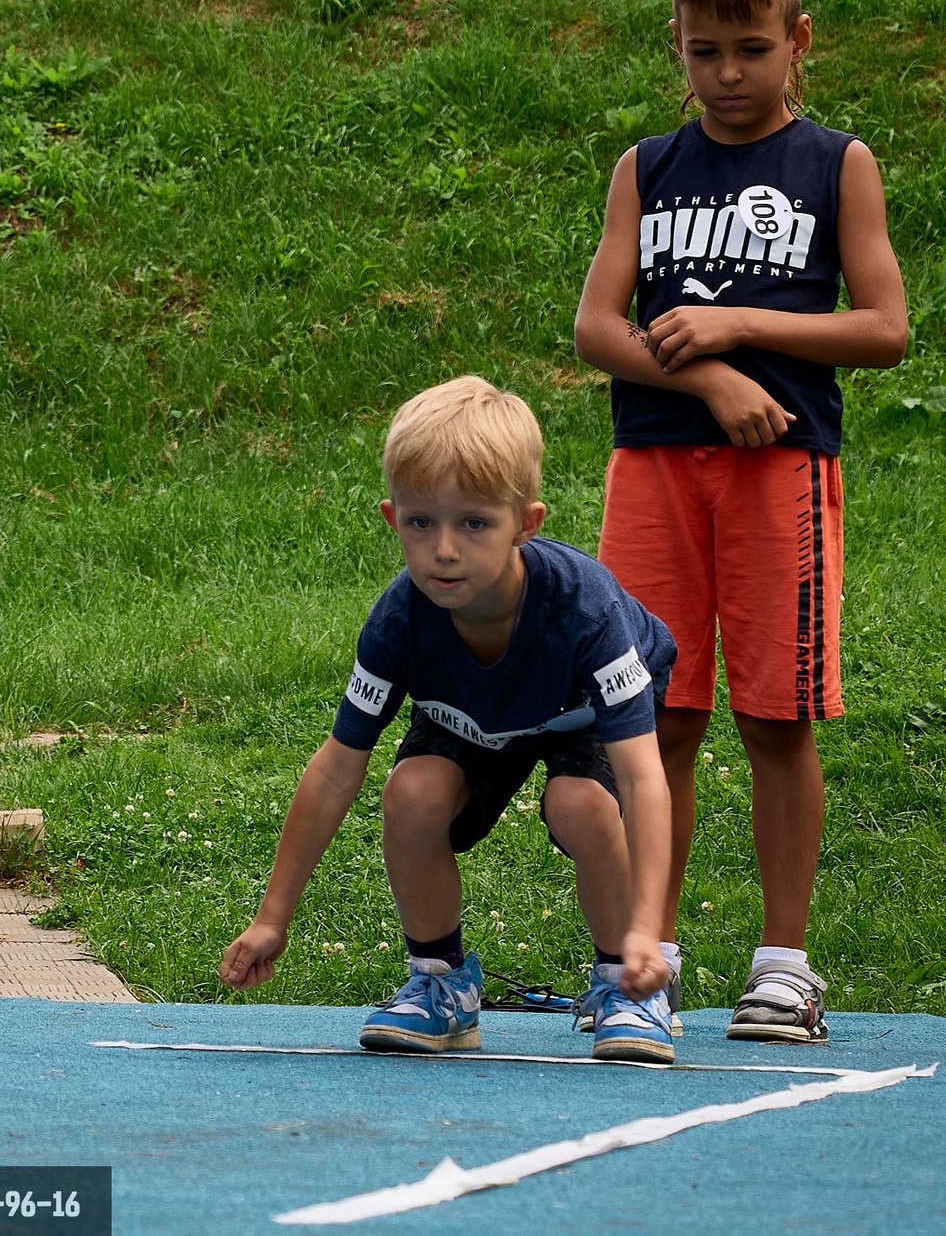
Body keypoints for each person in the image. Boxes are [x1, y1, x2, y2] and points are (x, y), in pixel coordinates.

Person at [575, 0, 907, 1045]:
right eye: (703, 51)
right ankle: (646, 962)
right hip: (653, 471)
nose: (727, 74)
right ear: (675, 44)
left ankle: (784, 968)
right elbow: (597, 328)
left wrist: (739, 326)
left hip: (780, 478)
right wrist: (709, 376)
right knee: (655, 717)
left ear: (797, 40)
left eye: (752, 49)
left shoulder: (836, 163)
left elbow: (883, 327)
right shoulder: (646, 167)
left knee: (775, 718)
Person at [220, 378, 681, 1064]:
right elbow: (336, 769)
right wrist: (272, 917)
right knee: (412, 792)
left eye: (473, 523)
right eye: (420, 522)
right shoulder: (399, 622)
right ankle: (442, 983)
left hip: (577, 710)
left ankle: (629, 981)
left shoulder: (586, 611)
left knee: (581, 803)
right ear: (391, 517)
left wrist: (648, 927)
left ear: (525, 523)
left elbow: (643, 780)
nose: (443, 549)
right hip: (474, 716)